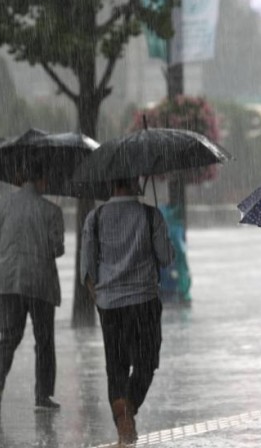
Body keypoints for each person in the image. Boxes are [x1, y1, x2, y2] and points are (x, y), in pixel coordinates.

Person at [80, 177, 174, 446]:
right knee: (146, 363)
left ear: (112, 184)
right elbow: (166, 258)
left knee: (116, 366)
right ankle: (128, 410)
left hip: (110, 305)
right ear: (134, 182)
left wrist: (99, 298)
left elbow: (87, 268)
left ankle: (123, 419)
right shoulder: (150, 215)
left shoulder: (95, 218)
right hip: (144, 300)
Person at [0, 175, 65, 416]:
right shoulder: (51, 210)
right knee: (44, 340)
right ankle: (43, 395)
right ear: (42, 181)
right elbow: (57, 248)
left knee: (7, 337)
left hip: (8, 284)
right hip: (41, 283)